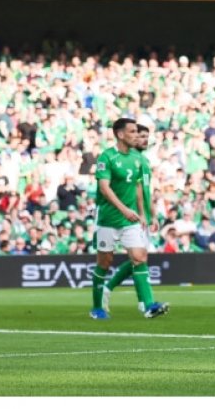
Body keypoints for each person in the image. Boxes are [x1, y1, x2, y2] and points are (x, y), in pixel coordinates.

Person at [90, 118, 167, 320]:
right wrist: (124, 209)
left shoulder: (139, 159)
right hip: (107, 218)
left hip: (130, 219)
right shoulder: (106, 157)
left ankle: (149, 305)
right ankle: (97, 307)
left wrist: (143, 214)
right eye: (132, 132)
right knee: (104, 263)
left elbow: (139, 188)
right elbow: (104, 188)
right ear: (120, 134)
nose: (137, 135)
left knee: (139, 257)